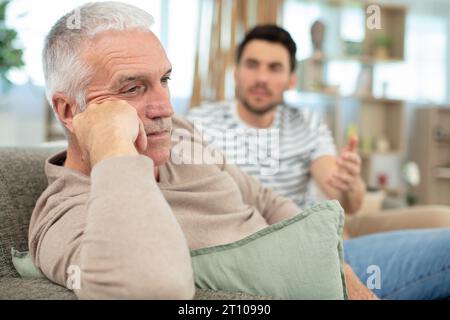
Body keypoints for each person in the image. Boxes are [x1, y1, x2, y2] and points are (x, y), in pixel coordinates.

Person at [28, 2, 375, 300]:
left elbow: (265, 200)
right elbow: (157, 287)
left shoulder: (179, 135)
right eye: (133, 88)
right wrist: (114, 150)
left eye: (164, 80)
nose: (164, 107)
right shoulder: (62, 216)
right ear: (69, 111)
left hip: (329, 264)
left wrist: (339, 266)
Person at [187, 24, 450, 299]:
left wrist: (350, 182)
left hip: (321, 231)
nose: (262, 78)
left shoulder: (306, 122)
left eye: (275, 68)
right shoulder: (201, 123)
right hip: (272, 248)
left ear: (291, 79)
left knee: (443, 218)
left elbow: (347, 201)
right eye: (252, 65)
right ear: (237, 72)